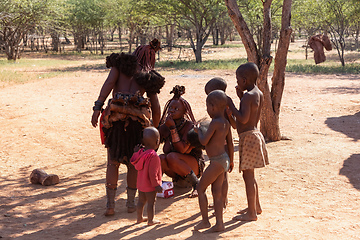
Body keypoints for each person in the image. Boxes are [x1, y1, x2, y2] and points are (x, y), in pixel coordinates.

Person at [91, 52, 165, 216]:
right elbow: (156, 106)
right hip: (137, 125)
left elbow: (108, 84)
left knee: (113, 162)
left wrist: (97, 107)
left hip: (116, 122)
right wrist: (156, 130)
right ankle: (131, 204)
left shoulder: (119, 66)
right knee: (133, 164)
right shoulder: (147, 75)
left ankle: (110, 205)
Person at [227, 62, 269, 221]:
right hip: (254, 134)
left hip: (249, 138)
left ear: (244, 81)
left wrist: (231, 104)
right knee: (250, 175)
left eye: (238, 80)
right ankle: (255, 206)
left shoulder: (248, 96)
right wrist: (239, 99)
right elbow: (249, 115)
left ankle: (251, 213)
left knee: (248, 177)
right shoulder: (257, 93)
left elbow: (243, 118)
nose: (237, 83)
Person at [193, 90, 234, 232]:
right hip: (224, 160)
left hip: (216, 161)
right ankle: (219, 224)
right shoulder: (226, 123)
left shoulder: (214, 123)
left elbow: (204, 141)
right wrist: (232, 161)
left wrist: (198, 131)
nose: (207, 110)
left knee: (200, 188)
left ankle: (205, 221)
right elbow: (229, 143)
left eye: (207, 106)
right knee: (217, 192)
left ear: (213, 107)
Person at [158, 85, 205, 198]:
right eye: (170, 108)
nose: (171, 111)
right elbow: (153, 143)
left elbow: (181, 149)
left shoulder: (189, 126)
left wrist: (173, 128)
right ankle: (156, 185)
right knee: (160, 158)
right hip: (176, 171)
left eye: (176, 109)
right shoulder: (165, 126)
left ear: (184, 112)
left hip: (193, 167)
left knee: (171, 157)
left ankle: (197, 185)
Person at [204, 77, 236, 213]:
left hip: (223, 143)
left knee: (223, 175)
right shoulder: (219, 104)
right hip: (219, 143)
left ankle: (223, 201)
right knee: (219, 175)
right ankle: (220, 200)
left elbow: (233, 126)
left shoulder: (225, 104)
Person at [130, 127, 163, 225]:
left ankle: (139, 218)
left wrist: (136, 152)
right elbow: (153, 173)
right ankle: (150, 220)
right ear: (157, 141)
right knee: (151, 203)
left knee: (141, 202)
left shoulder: (140, 152)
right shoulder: (154, 156)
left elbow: (134, 160)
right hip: (150, 186)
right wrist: (156, 185)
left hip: (140, 184)